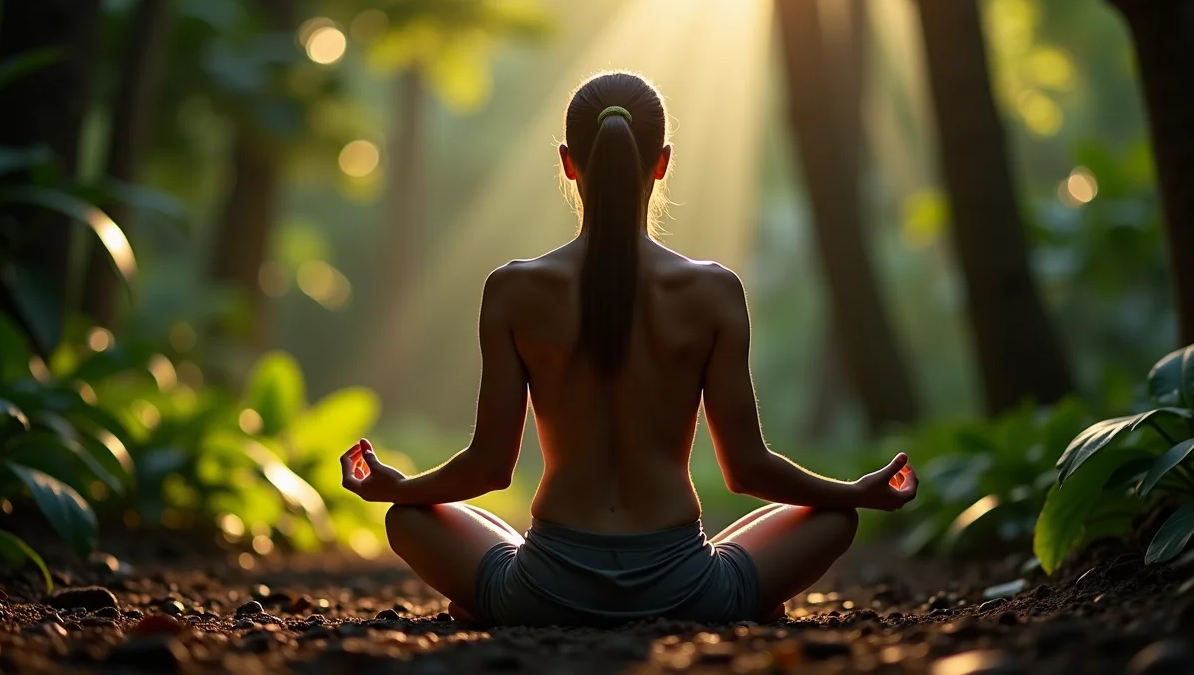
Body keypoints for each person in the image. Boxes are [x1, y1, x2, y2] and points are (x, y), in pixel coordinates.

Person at [339, 71, 918, 627]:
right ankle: (740, 598)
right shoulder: (713, 291)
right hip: (690, 589)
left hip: (542, 589)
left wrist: (399, 488)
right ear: (662, 163)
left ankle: (496, 600)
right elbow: (746, 469)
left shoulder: (513, 289)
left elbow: (489, 467)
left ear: (568, 163)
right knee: (834, 519)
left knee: (408, 520)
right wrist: (853, 492)